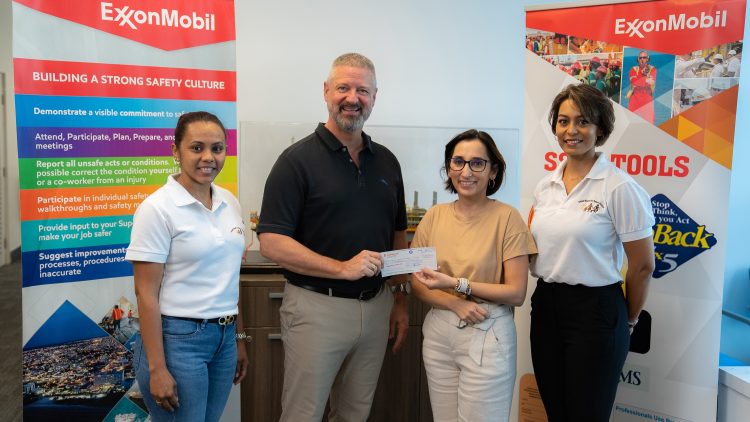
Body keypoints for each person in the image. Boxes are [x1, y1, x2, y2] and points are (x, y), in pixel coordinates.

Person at [257, 52, 409, 422]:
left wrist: (400, 297)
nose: (352, 98)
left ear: (375, 97)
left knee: (355, 413)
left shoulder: (387, 161)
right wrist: (342, 268)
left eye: (363, 90)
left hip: (376, 309)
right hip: (316, 308)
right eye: (343, 87)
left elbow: (398, 234)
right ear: (326, 91)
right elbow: (272, 241)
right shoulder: (295, 161)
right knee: (303, 414)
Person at [529, 84, 655, 422]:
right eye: (563, 121)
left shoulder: (619, 187)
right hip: (546, 308)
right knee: (557, 413)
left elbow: (642, 267)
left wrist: (628, 320)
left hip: (597, 312)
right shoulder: (545, 186)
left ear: (600, 129)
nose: (572, 131)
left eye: (583, 121)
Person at [126, 111, 248, 422]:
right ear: (175, 150)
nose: (209, 157)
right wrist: (157, 368)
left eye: (217, 148)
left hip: (224, 337)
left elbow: (230, 278)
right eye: (197, 148)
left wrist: (239, 340)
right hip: (178, 340)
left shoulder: (228, 202)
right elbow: (145, 294)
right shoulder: (156, 209)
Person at [410, 129, 537, 421]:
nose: (466, 171)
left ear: (493, 171)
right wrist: (454, 303)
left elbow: (516, 293)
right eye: (458, 162)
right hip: (440, 333)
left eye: (477, 163)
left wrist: (457, 286)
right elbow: (417, 284)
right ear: (449, 168)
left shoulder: (508, 218)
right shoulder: (434, 216)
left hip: (486, 329)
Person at [628, 51, 657, 123]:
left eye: (644, 57)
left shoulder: (652, 69)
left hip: (647, 99)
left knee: (649, 122)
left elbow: (651, 82)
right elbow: (633, 82)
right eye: (640, 58)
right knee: (630, 121)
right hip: (634, 98)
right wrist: (646, 80)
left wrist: (639, 80)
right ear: (638, 59)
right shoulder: (633, 69)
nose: (642, 59)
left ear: (648, 59)